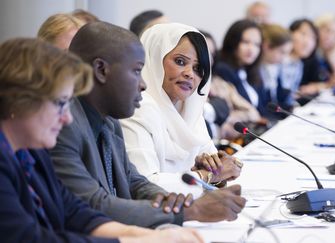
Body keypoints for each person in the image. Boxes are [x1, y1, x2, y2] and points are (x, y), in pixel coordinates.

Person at [0, 38, 203, 243]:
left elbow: (75, 213)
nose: (67, 117)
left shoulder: (33, 153)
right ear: (18, 100)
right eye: (60, 103)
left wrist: (155, 236)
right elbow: (28, 238)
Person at [50, 21, 246, 228]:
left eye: (198, 69)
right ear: (101, 69)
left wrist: (188, 199)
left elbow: (135, 182)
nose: (143, 83)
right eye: (136, 71)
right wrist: (192, 210)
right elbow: (95, 205)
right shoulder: (64, 124)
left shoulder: (109, 121)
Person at [121, 23, 242, 194]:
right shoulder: (137, 109)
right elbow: (146, 186)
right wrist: (207, 176)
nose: (189, 74)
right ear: (153, 58)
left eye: (197, 68)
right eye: (180, 61)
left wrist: (219, 168)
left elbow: (217, 170)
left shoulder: (190, 109)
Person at [201, 30, 261, 140]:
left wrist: (225, 118)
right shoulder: (185, 86)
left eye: (212, 54)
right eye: (204, 53)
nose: (209, 59)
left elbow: (252, 113)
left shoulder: (220, 83)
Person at [214, 19, 265, 115]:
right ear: (233, 42)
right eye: (245, 42)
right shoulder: (223, 69)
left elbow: (262, 109)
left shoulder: (250, 71)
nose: (251, 49)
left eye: (256, 44)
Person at [299, 14, 335, 97]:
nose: (330, 37)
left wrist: (332, 58)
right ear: (317, 29)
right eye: (327, 30)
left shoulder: (327, 55)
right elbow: (303, 89)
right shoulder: (307, 53)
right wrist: (325, 85)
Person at [259, 23, 293, 116]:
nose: (284, 58)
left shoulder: (273, 68)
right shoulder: (255, 71)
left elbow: (278, 101)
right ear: (266, 46)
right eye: (282, 52)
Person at [286, 19, 319, 104]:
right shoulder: (279, 62)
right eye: (303, 34)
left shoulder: (299, 64)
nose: (308, 42)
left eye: (313, 38)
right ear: (290, 34)